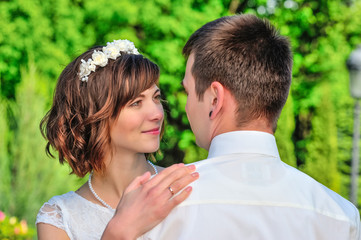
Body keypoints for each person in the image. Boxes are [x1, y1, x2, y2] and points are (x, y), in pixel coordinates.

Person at [139, 14, 361, 239]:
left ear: (215, 99)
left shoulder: (158, 205)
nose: (186, 106)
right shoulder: (340, 215)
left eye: (188, 92)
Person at [36, 39, 199, 240]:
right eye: (136, 103)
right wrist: (119, 232)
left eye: (156, 98)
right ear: (96, 116)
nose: (157, 113)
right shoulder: (59, 218)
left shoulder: (188, 185)